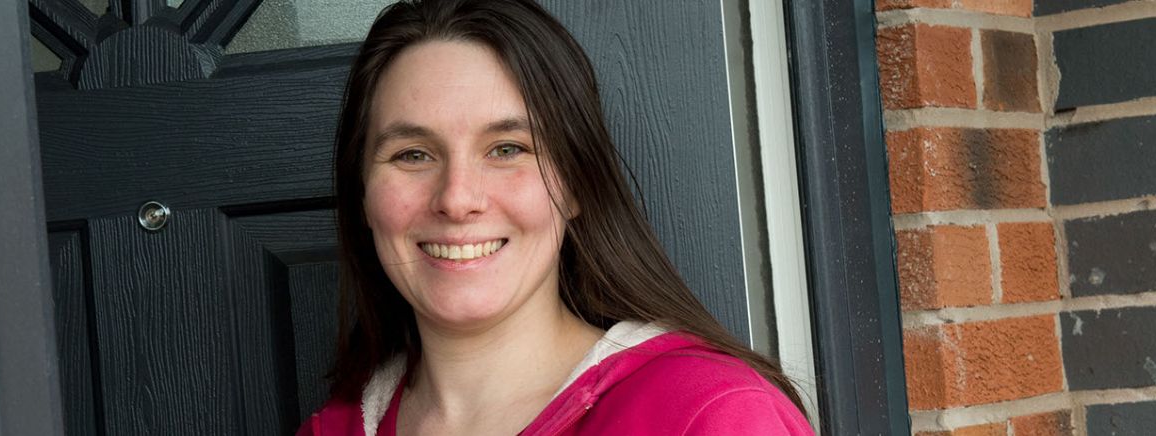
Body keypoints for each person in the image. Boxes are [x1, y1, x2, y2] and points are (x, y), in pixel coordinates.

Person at [296, 0, 817, 434]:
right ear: (362, 194)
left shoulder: (710, 416)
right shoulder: (333, 428)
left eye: (506, 149)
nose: (457, 200)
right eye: (413, 154)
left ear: (574, 185)